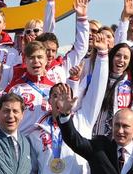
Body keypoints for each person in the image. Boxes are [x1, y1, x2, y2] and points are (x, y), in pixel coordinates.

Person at [29, 42, 107, 174]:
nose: (60, 100)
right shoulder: (35, 134)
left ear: (72, 100)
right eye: (55, 96)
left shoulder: (83, 120)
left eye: (64, 96)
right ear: (48, 101)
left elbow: (97, 89)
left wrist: (103, 57)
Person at [59, 108, 133, 174]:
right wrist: (65, 115)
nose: (120, 131)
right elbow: (73, 139)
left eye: (125, 126)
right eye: (117, 125)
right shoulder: (98, 148)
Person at [4, 41, 56, 135]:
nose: (36, 61)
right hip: (23, 141)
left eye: (40, 57)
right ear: (25, 61)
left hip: (47, 142)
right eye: (31, 57)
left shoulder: (54, 88)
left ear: (46, 60)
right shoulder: (15, 88)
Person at [92, 43, 133, 137]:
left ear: (130, 62)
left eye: (125, 57)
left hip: (117, 141)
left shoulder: (131, 87)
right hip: (93, 138)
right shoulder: (96, 79)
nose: (121, 60)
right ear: (112, 56)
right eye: (118, 55)